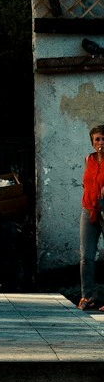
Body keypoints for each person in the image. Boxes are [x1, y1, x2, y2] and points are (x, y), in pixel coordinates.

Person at [78, 124, 104, 311]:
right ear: (92, 142)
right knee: (86, 256)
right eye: (97, 139)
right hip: (88, 211)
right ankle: (87, 296)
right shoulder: (89, 159)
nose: (101, 143)